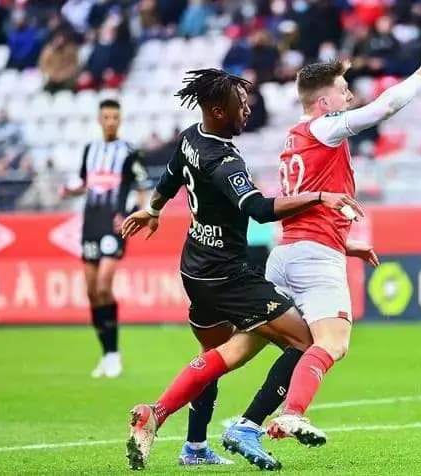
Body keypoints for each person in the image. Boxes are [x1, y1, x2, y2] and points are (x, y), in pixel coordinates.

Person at [222, 39, 421, 462]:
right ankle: (292, 413)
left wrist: (346, 243)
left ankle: (218, 424)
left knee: (254, 348)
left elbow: (302, 208)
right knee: (333, 342)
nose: (349, 98)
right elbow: (383, 108)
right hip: (313, 259)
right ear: (324, 101)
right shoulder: (325, 127)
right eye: (344, 91)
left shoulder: (293, 137)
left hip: (287, 252)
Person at [121, 69, 364, 471]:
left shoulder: (190, 137)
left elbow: (170, 175)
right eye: (241, 104)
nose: (248, 109)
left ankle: (183, 437)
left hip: (195, 269)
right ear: (219, 111)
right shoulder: (224, 160)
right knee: (304, 341)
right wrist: (320, 196)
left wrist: (153, 209)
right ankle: (248, 426)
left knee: (218, 356)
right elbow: (258, 209)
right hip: (228, 276)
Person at [59, 99, 149, 379]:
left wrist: (131, 215)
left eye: (115, 117)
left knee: (103, 286)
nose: (110, 121)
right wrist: (69, 191)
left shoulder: (130, 151)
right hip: (91, 224)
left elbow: (142, 187)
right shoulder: (90, 149)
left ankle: (113, 354)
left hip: (114, 226)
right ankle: (107, 352)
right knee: (91, 292)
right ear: (100, 120)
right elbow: (85, 183)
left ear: (120, 120)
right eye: (106, 117)